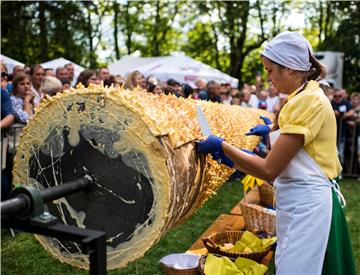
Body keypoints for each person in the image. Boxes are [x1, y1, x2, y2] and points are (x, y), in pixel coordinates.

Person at [197, 31, 356, 275]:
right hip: (298, 202)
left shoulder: (308, 100)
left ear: (290, 68)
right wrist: (235, 156)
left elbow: (269, 169)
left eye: (270, 70)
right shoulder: (303, 95)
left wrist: (223, 147)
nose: (268, 77)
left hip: (309, 208)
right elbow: (276, 169)